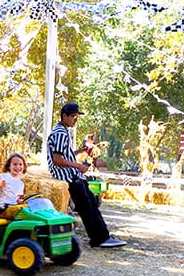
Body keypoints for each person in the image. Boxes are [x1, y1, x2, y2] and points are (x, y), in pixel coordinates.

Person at [47, 102, 126, 248]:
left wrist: (78, 152)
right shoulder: (60, 133)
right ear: (64, 116)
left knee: (90, 204)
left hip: (73, 176)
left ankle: (102, 236)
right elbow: (57, 159)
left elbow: (64, 155)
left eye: (77, 117)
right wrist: (79, 166)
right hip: (68, 177)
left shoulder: (62, 131)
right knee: (87, 207)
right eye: (73, 116)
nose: (75, 120)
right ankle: (100, 238)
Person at [0, 152, 27, 219]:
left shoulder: (21, 183)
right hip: (2, 208)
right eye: (14, 164)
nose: (18, 167)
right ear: (9, 166)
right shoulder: (3, 177)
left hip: (13, 207)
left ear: (24, 166)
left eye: (20, 164)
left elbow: (17, 199)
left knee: (30, 208)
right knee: (22, 212)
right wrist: (0, 186)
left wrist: (19, 201)